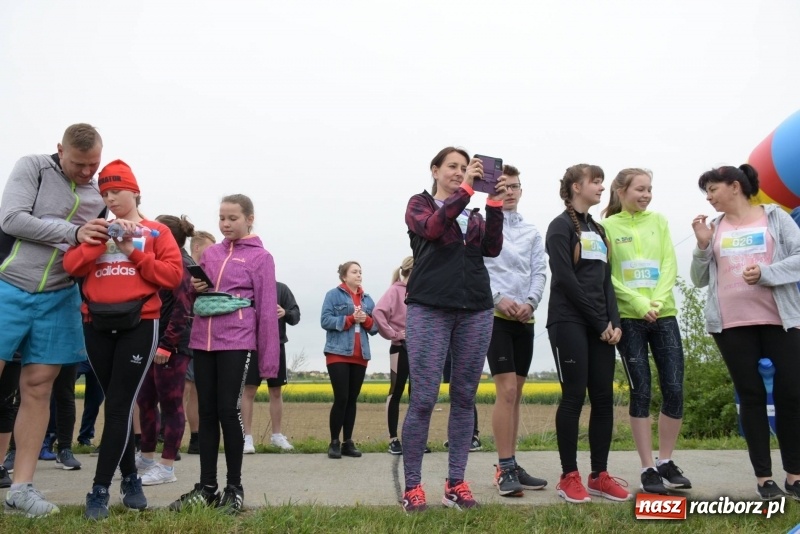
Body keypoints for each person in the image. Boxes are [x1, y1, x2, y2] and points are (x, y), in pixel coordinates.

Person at [64, 159, 183, 519]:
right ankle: (131, 477)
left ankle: (98, 490)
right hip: (95, 324)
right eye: (105, 192)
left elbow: (172, 277)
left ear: (135, 191)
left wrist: (132, 249)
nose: (111, 197)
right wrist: (101, 240)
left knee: (117, 405)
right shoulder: (97, 229)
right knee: (117, 403)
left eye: (118, 190)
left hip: (139, 324)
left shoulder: (157, 231)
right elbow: (72, 267)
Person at [0, 123, 108, 517]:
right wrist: (74, 232)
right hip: (7, 285)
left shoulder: (100, 193)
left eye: (93, 164)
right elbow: (11, 218)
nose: (86, 172)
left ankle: (22, 488)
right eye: (79, 164)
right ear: (59, 150)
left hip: (60, 296)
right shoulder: (33, 167)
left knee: (38, 387)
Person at [400, 147, 505, 512]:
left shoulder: (473, 213)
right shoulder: (420, 204)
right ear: (435, 170)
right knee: (425, 398)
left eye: (465, 168)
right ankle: (412, 486)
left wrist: (493, 205)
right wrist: (466, 190)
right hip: (430, 307)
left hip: (476, 308)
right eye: (453, 168)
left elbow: (491, 248)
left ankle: (455, 483)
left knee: (464, 397)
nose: (460, 173)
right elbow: (432, 228)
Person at [690, 164, 800, 501]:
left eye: (712, 189)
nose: (708, 198)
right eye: (706, 192)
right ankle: (764, 479)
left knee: (792, 395)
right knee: (750, 396)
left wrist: (767, 273)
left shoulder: (775, 217)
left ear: (734, 186)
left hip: (779, 319)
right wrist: (703, 246)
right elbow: (698, 279)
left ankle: (795, 476)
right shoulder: (716, 227)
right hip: (732, 324)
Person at [169, 194, 279, 514]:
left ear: (249, 219)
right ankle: (206, 487)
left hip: (237, 339)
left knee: (228, 411)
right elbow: (190, 294)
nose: (226, 224)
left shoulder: (261, 258)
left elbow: (267, 311)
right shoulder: (211, 254)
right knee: (206, 412)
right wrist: (193, 287)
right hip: (203, 339)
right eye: (221, 218)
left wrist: (268, 360)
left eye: (232, 218)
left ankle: (234, 487)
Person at [602, 168, 691, 495]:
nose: (646, 194)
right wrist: (639, 303)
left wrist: (656, 300)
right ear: (621, 190)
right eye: (640, 189)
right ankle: (647, 468)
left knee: (674, 387)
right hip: (629, 318)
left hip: (663, 314)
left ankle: (666, 461)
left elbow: (669, 264)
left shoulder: (660, 221)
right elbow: (607, 275)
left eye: (649, 189)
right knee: (642, 390)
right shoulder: (607, 227)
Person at [546, 164, 631, 504]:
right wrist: (599, 323)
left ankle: (599, 475)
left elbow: (605, 281)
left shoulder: (597, 227)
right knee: (574, 397)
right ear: (576, 187)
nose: (600, 186)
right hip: (569, 321)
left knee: (603, 398)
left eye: (601, 181)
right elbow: (566, 280)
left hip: (602, 324)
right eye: (595, 181)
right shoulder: (560, 227)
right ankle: (569, 476)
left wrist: (615, 322)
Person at [483, 165, 548, 496]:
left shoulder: (533, 232)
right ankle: (503, 467)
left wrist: (532, 302)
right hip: (495, 317)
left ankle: (512, 463)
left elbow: (540, 270)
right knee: (506, 391)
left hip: (525, 318)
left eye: (515, 186)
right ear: (493, 192)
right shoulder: (484, 226)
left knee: (516, 394)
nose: (509, 191)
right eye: (503, 187)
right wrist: (498, 299)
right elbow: (479, 269)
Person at [136, 215, 197, 486]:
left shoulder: (183, 265)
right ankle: (146, 457)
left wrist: (168, 344)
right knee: (145, 400)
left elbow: (183, 309)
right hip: (151, 340)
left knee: (171, 404)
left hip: (173, 345)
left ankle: (167, 465)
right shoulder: (160, 261)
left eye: (153, 232)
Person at [321, 261, 377, 459]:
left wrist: (366, 320)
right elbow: (325, 320)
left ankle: (348, 442)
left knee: (352, 399)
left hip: (360, 355)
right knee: (342, 397)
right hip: (337, 353)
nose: (359, 274)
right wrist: (350, 319)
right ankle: (334, 442)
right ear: (344, 276)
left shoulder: (368, 299)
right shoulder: (332, 295)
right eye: (354, 272)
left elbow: (375, 328)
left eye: (360, 271)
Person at [241, 281, 300, 453]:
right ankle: (247, 438)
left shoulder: (281, 289)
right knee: (249, 390)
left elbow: (296, 316)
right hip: (251, 344)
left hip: (276, 344)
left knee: (276, 391)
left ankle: (276, 435)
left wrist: (285, 312)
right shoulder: (247, 287)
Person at [373, 257, 413, 455]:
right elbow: (378, 313)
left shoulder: (421, 291)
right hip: (401, 348)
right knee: (396, 391)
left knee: (417, 395)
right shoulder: (395, 291)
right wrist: (395, 334)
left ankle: (415, 439)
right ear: (412, 271)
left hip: (420, 349)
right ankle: (393, 439)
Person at [183, 230, 216, 454]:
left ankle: (196, 438)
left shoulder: (208, 272)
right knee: (182, 388)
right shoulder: (184, 267)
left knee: (196, 388)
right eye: (209, 249)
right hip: (182, 332)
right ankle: (168, 435)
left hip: (201, 334)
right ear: (196, 248)